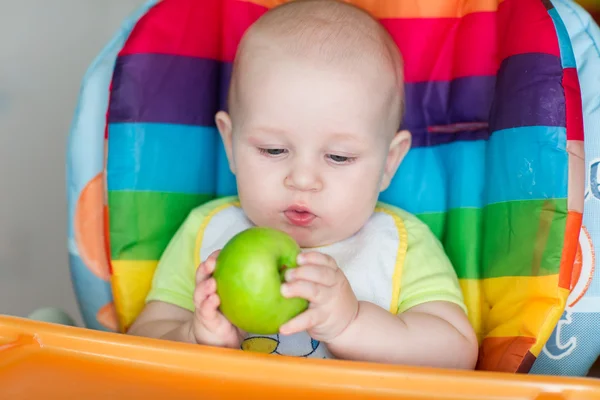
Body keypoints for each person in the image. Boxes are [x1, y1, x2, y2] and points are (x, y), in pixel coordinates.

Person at [128, 0, 478, 369]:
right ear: (230, 143)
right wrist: (193, 336)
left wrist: (352, 324)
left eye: (339, 157)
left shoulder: (401, 245)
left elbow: (456, 354)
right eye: (273, 149)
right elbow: (140, 342)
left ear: (389, 162)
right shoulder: (206, 233)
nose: (303, 179)